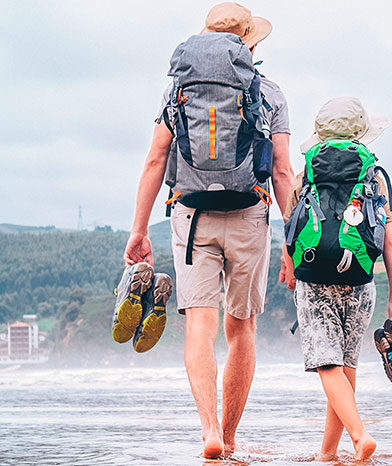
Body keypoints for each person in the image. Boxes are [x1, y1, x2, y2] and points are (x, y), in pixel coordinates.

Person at [123, 2, 295, 459]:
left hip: (191, 217)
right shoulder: (270, 93)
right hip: (249, 216)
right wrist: (294, 241)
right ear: (249, 42)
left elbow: (156, 160)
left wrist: (139, 230)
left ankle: (209, 431)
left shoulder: (177, 91)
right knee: (242, 329)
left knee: (200, 326)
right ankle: (232, 437)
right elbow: (281, 173)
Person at [280, 97, 392, 462]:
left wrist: (289, 266)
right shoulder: (375, 176)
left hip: (314, 278)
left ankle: (358, 435)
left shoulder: (306, 174)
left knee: (327, 364)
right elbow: (390, 240)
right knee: (345, 365)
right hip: (360, 280)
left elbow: (292, 229)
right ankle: (327, 452)